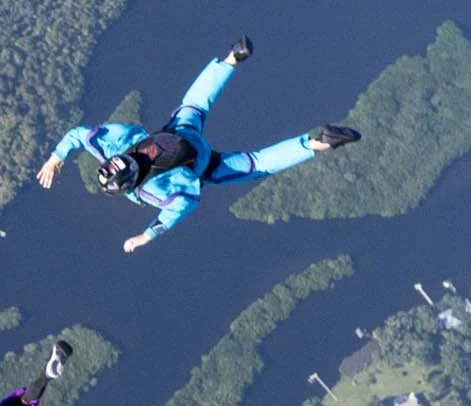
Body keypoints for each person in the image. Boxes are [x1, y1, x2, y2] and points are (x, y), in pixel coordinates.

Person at [35, 37, 360, 251]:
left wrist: (145, 236)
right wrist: (55, 159)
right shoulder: (117, 146)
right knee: (195, 104)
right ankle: (232, 57)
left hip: (202, 165)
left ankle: (318, 143)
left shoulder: (152, 191)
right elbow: (80, 135)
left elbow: (182, 205)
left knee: (258, 164)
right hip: (179, 134)